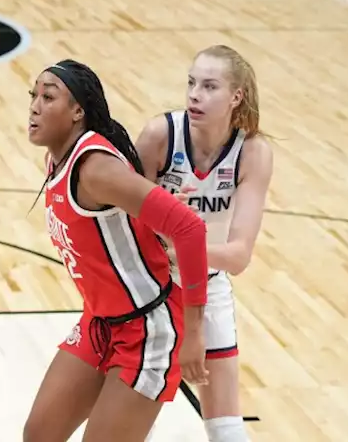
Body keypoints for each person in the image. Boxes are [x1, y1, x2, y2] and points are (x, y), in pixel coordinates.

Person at [23, 59, 211, 442]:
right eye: (33, 96)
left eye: (48, 96)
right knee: (40, 434)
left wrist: (193, 333)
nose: (35, 106)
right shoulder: (57, 159)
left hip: (147, 330)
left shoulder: (94, 170)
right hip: (100, 322)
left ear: (78, 111)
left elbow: (190, 229)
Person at [135, 46, 272, 442]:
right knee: (125, 419)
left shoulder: (252, 152)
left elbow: (239, 255)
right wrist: (162, 233)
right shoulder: (160, 135)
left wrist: (183, 244)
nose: (194, 94)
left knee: (227, 427)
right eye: (192, 83)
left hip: (208, 285)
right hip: (148, 286)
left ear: (236, 97)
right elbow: (124, 223)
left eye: (209, 86)